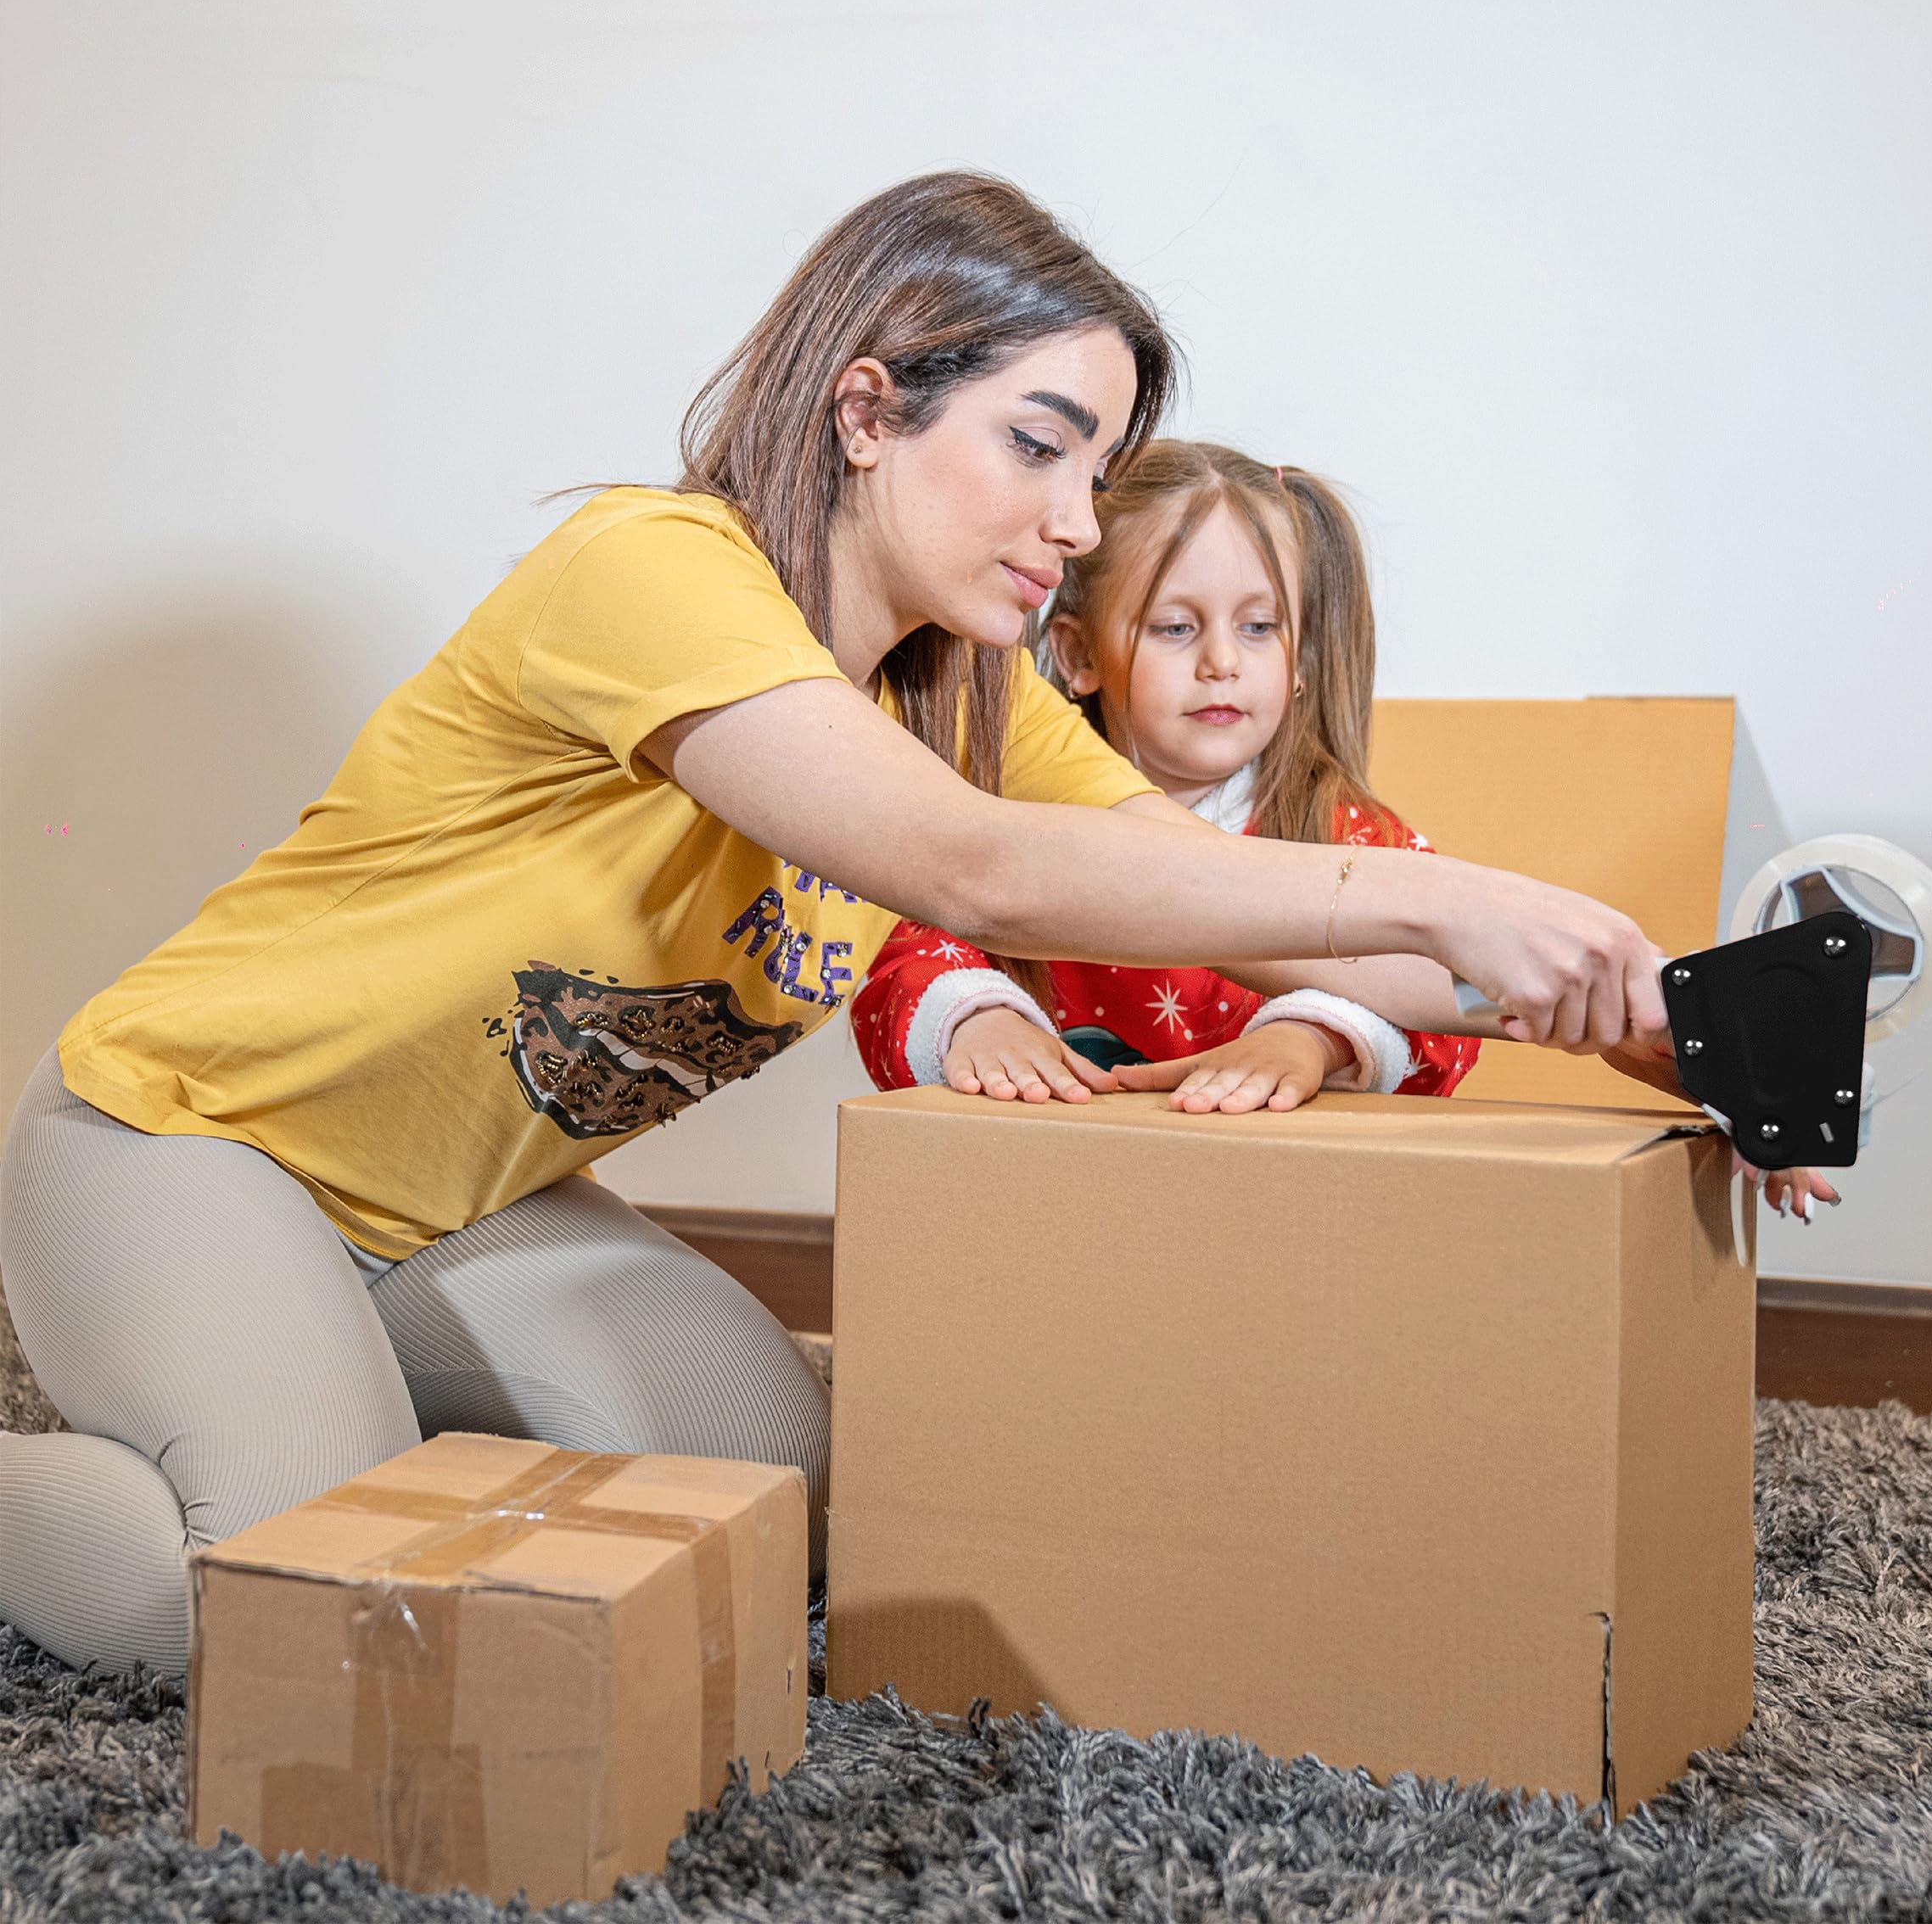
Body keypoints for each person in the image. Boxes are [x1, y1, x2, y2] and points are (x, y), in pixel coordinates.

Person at [0, 173, 1669, 1677]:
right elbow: (973, 870)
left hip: (448, 1214)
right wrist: (1452, 891)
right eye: (1038, 446)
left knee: (780, 1482)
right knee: (260, 1610)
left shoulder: (963, 697)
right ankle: (241, 1436)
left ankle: (312, 1401)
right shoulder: (650, 569)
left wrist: (1652, 1014)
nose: (1080, 523)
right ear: (866, 412)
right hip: (186, 1141)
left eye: (1097, 471)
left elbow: (1260, 920)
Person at [854, 439, 1485, 1110]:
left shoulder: (1356, 838)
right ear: (1078, 654)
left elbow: (1455, 1008)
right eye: (1176, 628)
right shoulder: (1014, 820)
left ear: (1301, 658)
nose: (1222, 662)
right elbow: (896, 949)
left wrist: (1314, 1038)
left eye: (1259, 626)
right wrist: (977, 1018)